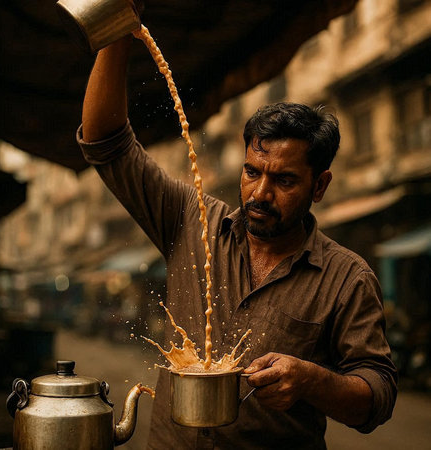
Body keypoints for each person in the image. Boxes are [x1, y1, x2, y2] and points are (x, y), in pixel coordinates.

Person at [77, 31, 397, 449]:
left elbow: (378, 396)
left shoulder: (346, 277)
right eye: (252, 172)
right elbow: (105, 140)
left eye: (284, 180)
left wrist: (312, 381)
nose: (260, 193)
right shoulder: (191, 220)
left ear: (319, 186)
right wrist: (115, 30)